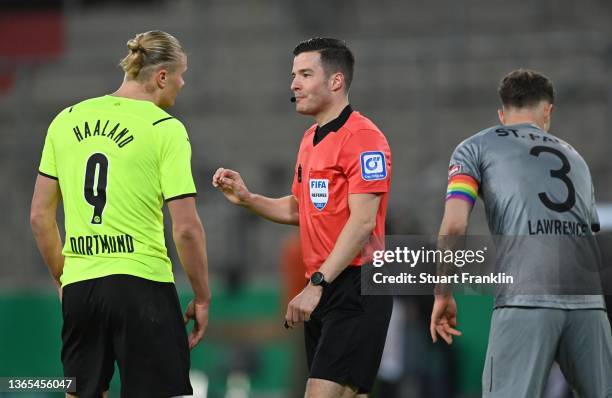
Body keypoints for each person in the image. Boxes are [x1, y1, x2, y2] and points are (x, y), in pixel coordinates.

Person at [30, 30, 211, 398]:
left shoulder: (65, 120)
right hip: (141, 285)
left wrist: (66, 279)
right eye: (181, 73)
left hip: (81, 286)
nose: (183, 82)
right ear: (162, 76)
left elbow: (39, 217)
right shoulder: (165, 129)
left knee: (80, 392)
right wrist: (203, 296)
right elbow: (187, 229)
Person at [213, 37, 392, 398]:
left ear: (336, 81)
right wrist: (248, 199)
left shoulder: (364, 138)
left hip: (358, 283)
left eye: (306, 74)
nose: (294, 83)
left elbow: (362, 223)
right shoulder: (310, 138)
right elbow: (300, 208)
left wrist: (317, 285)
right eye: (294, 74)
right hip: (328, 284)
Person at [430, 69, 612, 397]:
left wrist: (443, 292)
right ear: (548, 111)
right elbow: (589, 233)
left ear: (502, 114)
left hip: (525, 297)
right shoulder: (576, 158)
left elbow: (455, 224)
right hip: (588, 302)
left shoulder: (474, 148)